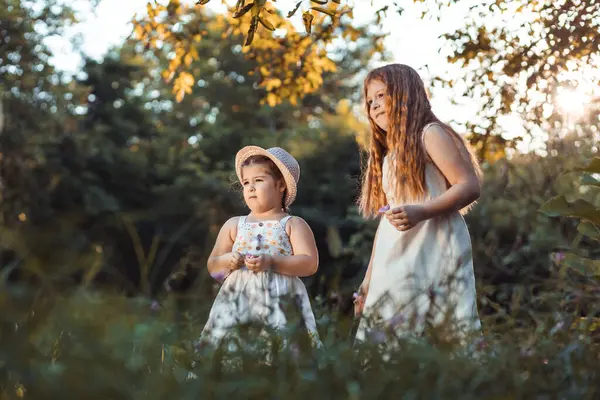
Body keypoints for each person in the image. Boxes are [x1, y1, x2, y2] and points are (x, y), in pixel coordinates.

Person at [353, 63, 482, 344]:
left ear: (405, 95)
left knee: (440, 323)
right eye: (370, 100)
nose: (374, 105)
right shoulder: (389, 155)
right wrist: (367, 281)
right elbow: (388, 220)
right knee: (390, 326)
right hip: (395, 252)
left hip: (434, 244)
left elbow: (469, 185)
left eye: (382, 96)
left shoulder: (430, 134)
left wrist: (421, 211)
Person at [198, 145, 322, 350]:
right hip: (239, 299)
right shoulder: (234, 225)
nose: (250, 187)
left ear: (281, 185)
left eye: (259, 180)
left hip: (280, 298)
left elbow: (309, 263)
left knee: (281, 347)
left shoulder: (292, 224)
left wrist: (271, 262)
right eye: (246, 182)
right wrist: (227, 261)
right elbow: (213, 266)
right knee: (234, 348)